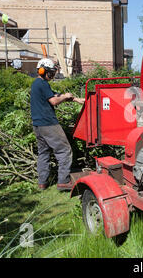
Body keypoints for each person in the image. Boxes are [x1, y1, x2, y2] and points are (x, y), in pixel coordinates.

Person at [30, 58, 85, 191]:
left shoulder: (37, 83)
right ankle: (63, 182)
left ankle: (42, 183)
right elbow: (54, 101)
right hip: (48, 124)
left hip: (37, 125)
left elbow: (54, 94)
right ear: (44, 71)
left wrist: (76, 99)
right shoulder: (42, 83)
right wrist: (65, 97)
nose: (53, 75)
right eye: (51, 72)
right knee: (64, 150)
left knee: (43, 153)